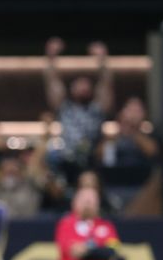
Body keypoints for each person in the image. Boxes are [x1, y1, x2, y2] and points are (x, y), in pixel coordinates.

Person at [44, 37, 114, 179]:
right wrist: (51, 57)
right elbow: (52, 82)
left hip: (93, 162)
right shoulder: (65, 108)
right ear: (71, 89)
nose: (83, 87)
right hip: (66, 163)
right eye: (79, 84)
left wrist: (103, 60)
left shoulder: (97, 109)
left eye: (86, 84)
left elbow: (106, 85)